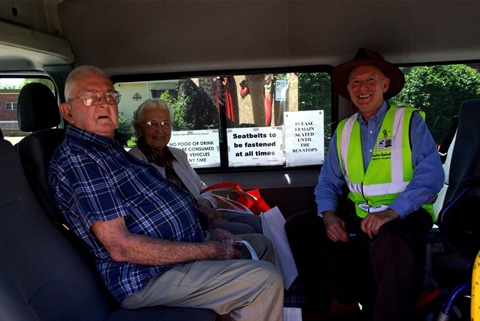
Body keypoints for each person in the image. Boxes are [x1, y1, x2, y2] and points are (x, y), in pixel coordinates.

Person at [48, 65, 284, 321]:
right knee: (264, 280)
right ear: (68, 112)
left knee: (260, 245)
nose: (104, 105)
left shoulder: (110, 150)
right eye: (91, 98)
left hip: (177, 252)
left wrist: (207, 231)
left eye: (109, 97)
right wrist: (209, 250)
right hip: (145, 274)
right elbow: (121, 247)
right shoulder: (80, 159)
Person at [285, 48, 444, 321]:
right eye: (355, 83)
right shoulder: (343, 131)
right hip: (360, 215)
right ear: (348, 90)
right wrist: (329, 214)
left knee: (390, 238)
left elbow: (431, 177)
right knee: (299, 226)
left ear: (385, 85)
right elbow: (327, 181)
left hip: (406, 214)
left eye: (370, 80)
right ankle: (342, 300)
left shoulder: (409, 121)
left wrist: (392, 211)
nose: (363, 88)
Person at [129, 99, 262, 234]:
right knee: (248, 231)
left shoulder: (178, 155)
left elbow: (202, 188)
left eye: (165, 124)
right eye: (153, 124)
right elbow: (156, 210)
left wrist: (206, 205)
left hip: (205, 214)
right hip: (183, 226)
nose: (160, 131)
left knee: (259, 222)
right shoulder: (133, 162)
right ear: (138, 128)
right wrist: (201, 214)